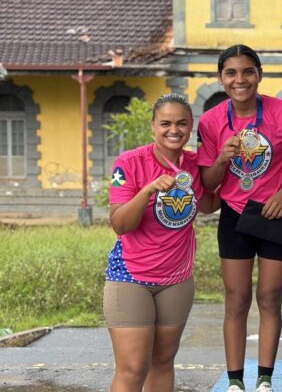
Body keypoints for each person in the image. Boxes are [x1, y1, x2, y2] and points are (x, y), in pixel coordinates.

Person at [197, 44, 282, 392]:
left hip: (275, 216)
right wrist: (221, 158)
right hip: (234, 216)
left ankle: (264, 378)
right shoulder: (211, 121)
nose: (240, 79)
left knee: (270, 296)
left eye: (247, 71)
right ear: (221, 78)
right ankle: (235, 381)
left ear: (259, 75)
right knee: (236, 299)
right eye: (231, 73)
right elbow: (208, 183)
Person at [104, 93, 217, 391]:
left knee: (163, 362)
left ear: (191, 126)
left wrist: (241, 174)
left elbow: (208, 204)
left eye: (181, 123)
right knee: (132, 368)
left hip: (177, 280)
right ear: (153, 125)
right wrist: (147, 191)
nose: (174, 130)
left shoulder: (193, 165)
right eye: (165, 123)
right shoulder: (128, 163)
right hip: (131, 277)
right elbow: (120, 223)